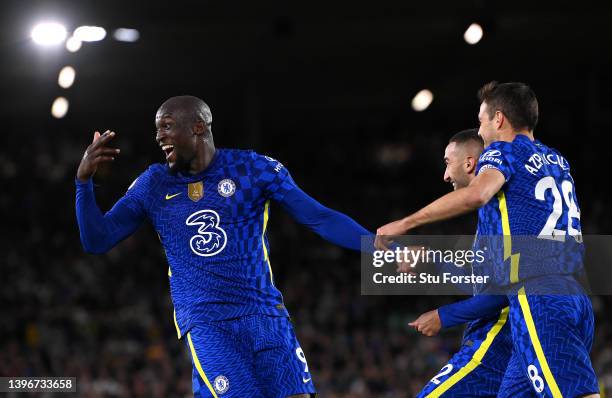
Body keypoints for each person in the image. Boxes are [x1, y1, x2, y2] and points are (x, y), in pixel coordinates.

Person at [75, 95, 372, 398]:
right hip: (208, 323)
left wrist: (377, 246)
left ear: (198, 127)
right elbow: (97, 240)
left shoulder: (252, 169)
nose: (158, 137)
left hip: (265, 313)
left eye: (166, 126)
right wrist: (83, 182)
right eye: (156, 130)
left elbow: (319, 218)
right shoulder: (154, 184)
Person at [376, 82, 599, 397]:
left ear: (499, 119)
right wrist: (432, 261)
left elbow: (477, 194)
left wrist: (406, 222)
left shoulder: (502, 151)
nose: (480, 132)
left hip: (539, 297)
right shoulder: (557, 162)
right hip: (573, 294)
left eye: (481, 121)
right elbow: (486, 273)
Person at [409, 129, 516, 397]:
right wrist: (431, 262)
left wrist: (443, 316)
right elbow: (480, 283)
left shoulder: (500, 212)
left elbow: (506, 291)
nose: (445, 175)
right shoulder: (489, 215)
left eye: (447, 163)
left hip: (498, 339)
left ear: (469, 163)